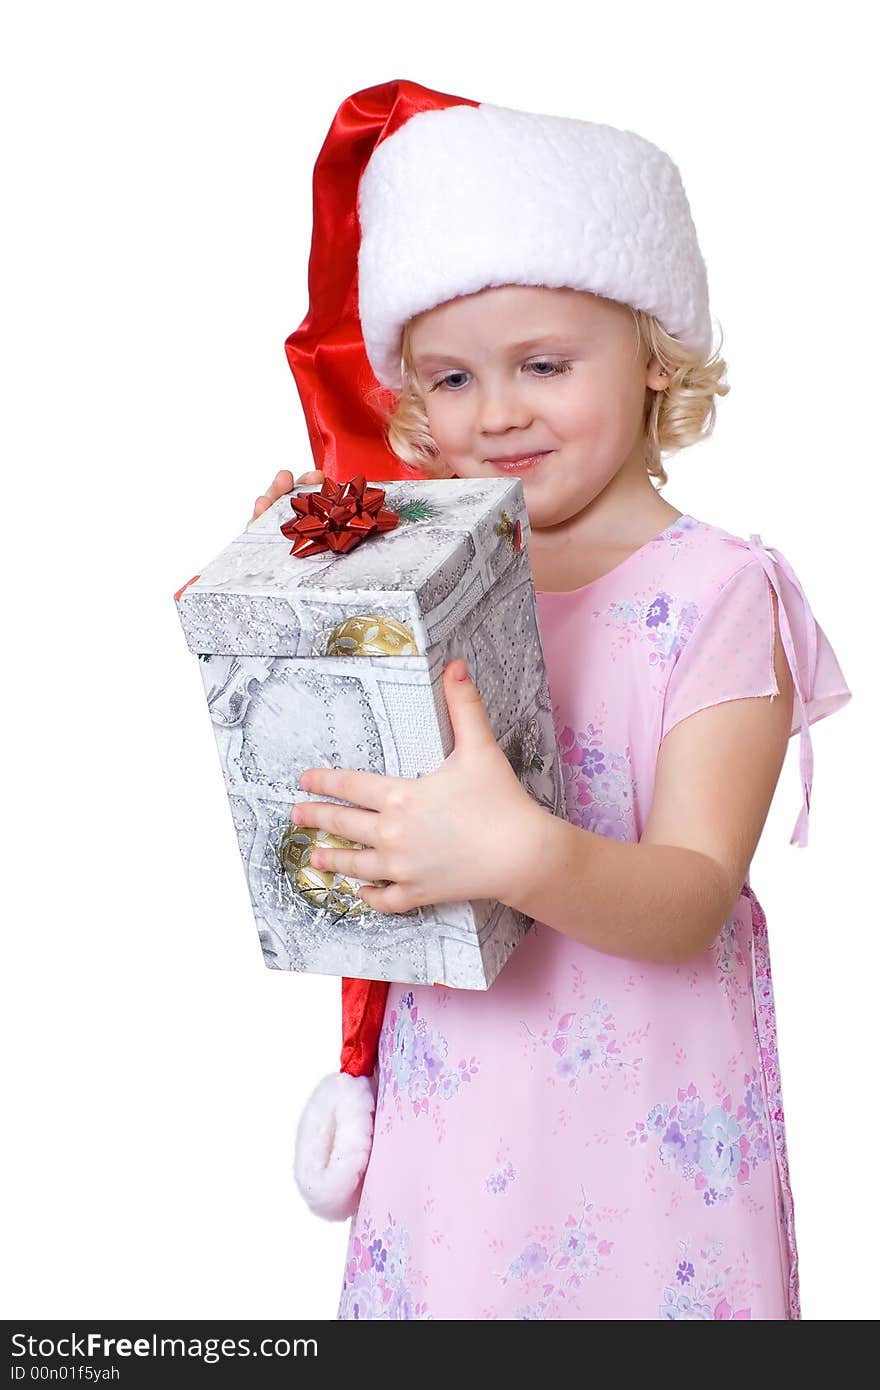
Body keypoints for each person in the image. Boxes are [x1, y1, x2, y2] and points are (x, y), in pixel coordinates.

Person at [251, 80, 850, 1319]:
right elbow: (328, 809)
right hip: (456, 1129)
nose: (499, 412)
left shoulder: (720, 590)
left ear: (653, 357)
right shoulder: (425, 578)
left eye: (541, 363)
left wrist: (522, 851)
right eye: (452, 380)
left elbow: (690, 894)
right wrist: (293, 601)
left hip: (644, 1146)